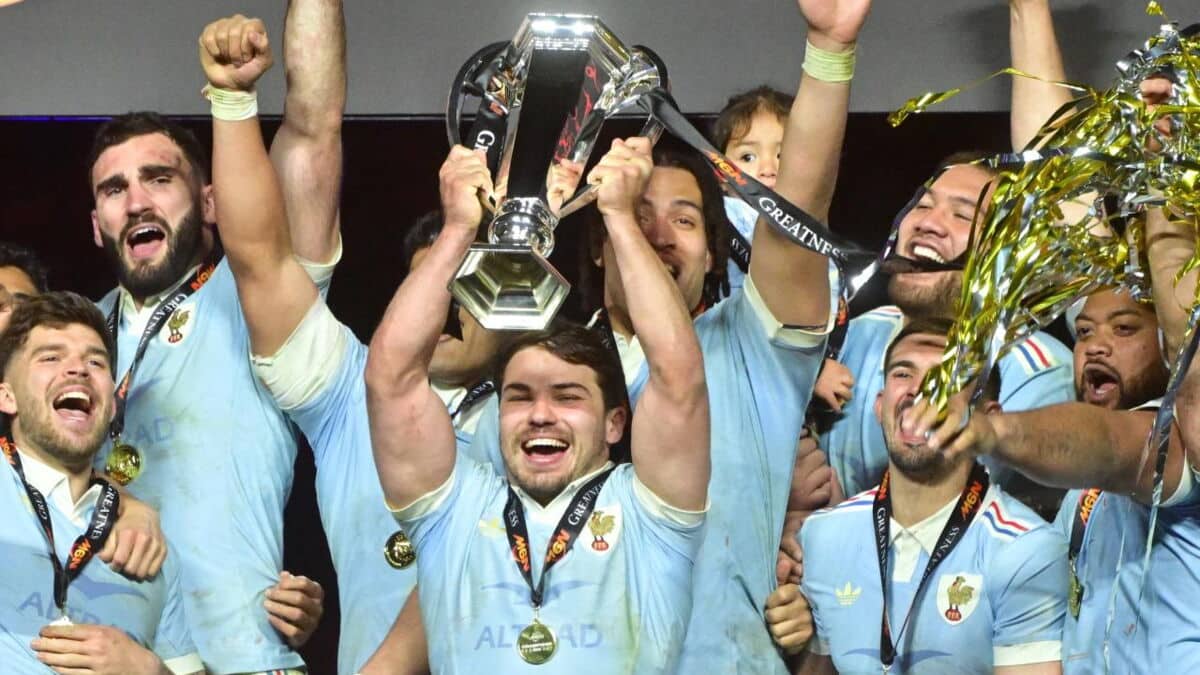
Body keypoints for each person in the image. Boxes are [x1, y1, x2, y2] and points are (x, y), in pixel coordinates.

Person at [369, 138, 710, 672]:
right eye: (520, 396)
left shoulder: (650, 513)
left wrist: (621, 219)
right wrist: (458, 230)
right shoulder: (454, 513)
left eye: (568, 396)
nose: (541, 414)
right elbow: (391, 378)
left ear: (615, 422)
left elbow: (679, 377)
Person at [84, 7, 336, 669]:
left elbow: (312, 133)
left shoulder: (257, 295)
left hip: (241, 658)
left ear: (210, 202)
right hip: (106, 658)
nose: (136, 201)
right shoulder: (70, 337)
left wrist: (233, 92)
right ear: (96, 223)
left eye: (159, 179)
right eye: (114, 188)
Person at [796, 318, 1068, 674]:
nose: (919, 390)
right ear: (879, 405)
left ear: (987, 419)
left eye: (947, 377)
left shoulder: (1025, 550)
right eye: (903, 374)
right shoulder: (824, 536)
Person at [0, 292, 202, 675]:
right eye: (51, 357)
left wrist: (151, 670)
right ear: (6, 396)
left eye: (95, 361)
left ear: (110, 406)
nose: (78, 369)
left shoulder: (149, 550)